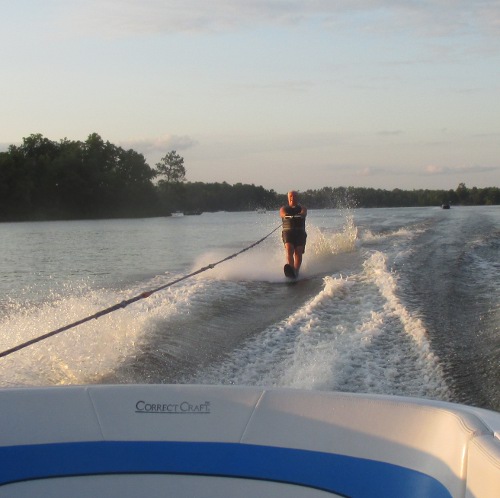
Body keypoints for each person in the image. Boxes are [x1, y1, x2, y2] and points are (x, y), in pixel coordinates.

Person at [280, 190, 307, 276]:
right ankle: (291, 268)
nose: (292, 198)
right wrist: (287, 215)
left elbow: (304, 213)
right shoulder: (284, 208)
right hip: (288, 232)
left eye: (294, 196)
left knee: (298, 251)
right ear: (288, 198)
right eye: (291, 196)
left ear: (297, 198)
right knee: (289, 248)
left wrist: (300, 215)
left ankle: (296, 271)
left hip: (300, 232)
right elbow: (282, 213)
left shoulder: (302, 208)